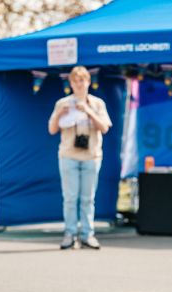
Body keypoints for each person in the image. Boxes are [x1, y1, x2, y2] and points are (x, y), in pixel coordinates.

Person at [49, 66, 112, 250]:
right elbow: (52, 129)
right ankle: (70, 234)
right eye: (75, 81)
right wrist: (61, 114)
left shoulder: (97, 103)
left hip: (91, 155)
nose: (79, 84)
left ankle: (87, 235)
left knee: (88, 198)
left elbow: (105, 128)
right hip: (68, 155)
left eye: (82, 80)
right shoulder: (63, 103)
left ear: (88, 82)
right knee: (70, 198)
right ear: (70, 83)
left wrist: (88, 111)